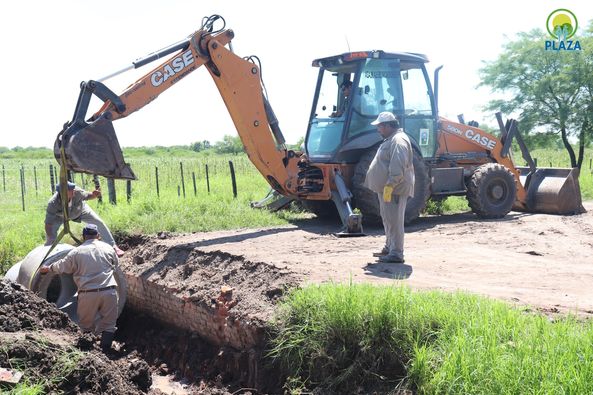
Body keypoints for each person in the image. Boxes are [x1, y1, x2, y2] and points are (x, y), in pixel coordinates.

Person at [40, 224, 120, 353]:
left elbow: (62, 266)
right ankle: (106, 351)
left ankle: (87, 353)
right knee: (109, 324)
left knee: (86, 325)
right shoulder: (108, 248)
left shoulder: (76, 252)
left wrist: (48, 268)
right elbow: (115, 265)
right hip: (109, 291)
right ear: (98, 236)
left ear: (83, 237)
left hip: (88, 294)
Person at [364, 112, 415, 263]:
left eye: (379, 126)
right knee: (387, 218)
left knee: (394, 220)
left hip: (394, 188)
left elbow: (398, 165)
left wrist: (391, 184)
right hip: (388, 188)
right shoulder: (391, 139)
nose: (378, 129)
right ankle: (389, 247)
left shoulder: (398, 140)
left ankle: (396, 253)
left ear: (387, 126)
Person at [45, 181, 124, 257]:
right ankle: (48, 254)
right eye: (71, 189)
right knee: (50, 236)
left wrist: (94, 195)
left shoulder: (77, 192)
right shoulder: (53, 203)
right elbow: (48, 224)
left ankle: (113, 247)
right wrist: (50, 236)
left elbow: (88, 195)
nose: (74, 190)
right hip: (60, 216)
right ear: (63, 193)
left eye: (73, 188)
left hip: (80, 210)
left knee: (98, 222)